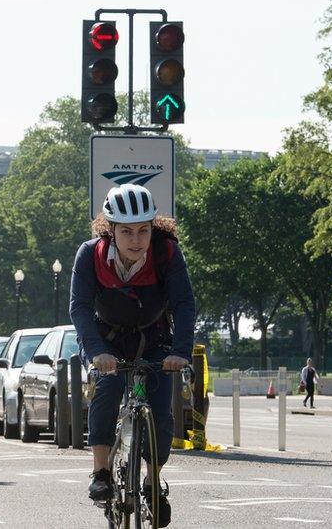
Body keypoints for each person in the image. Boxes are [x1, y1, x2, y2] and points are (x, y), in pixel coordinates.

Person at [70, 184, 195, 528]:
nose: (136, 240)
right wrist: (95, 352)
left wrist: (181, 352)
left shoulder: (167, 253)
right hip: (105, 340)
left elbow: (184, 304)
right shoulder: (89, 254)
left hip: (153, 338)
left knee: (160, 412)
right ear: (110, 230)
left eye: (143, 230)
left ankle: (153, 481)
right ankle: (101, 472)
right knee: (106, 389)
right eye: (126, 231)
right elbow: (79, 307)